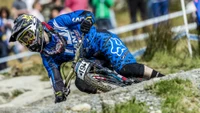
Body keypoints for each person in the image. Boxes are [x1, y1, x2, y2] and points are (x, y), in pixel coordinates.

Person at [9, 10, 165, 103]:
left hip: (102, 41)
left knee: (126, 68)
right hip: (90, 59)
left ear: (36, 28)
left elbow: (86, 15)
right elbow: (55, 78)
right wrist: (59, 94)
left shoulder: (58, 23)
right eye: (24, 41)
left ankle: (163, 78)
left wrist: (87, 21)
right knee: (80, 82)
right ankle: (115, 95)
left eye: (28, 36)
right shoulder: (47, 55)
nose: (28, 42)